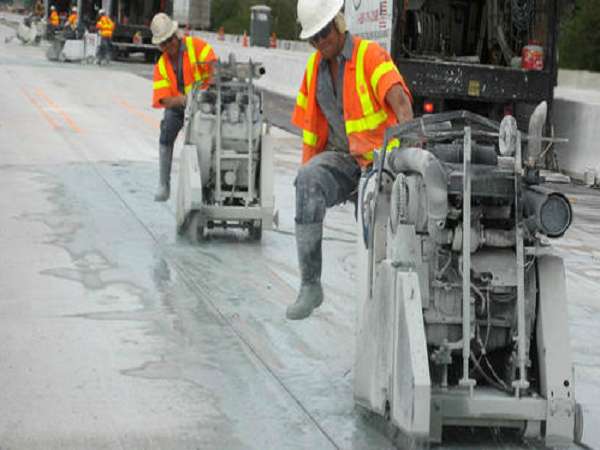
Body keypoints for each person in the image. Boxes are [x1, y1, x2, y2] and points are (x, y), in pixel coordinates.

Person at [286, 0, 413, 320]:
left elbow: (400, 102)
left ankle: (385, 302)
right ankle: (310, 285)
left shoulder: (369, 55)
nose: (320, 42)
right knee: (307, 180)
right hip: (342, 160)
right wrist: (307, 179)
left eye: (324, 33)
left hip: (379, 162)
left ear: (338, 24)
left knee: (375, 238)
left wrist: (406, 155)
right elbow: (311, 132)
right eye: (313, 38)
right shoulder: (314, 70)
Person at [150, 13, 216, 201]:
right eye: (163, 43)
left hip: (206, 104)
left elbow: (214, 66)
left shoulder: (196, 46)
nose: (168, 45)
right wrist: (185, 100)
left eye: (169, 40)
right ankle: (163, 184)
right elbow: (164, 100)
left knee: (213, 138)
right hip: (180, 107)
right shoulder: (161, 66)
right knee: (166, 132)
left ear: (176, 35)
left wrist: (208, 91)